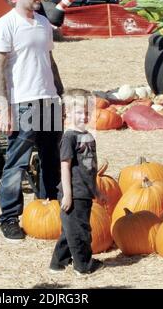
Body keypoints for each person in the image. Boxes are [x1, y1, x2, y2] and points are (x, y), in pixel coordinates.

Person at [0, 0, 64, 241]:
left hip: (48, 100)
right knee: (16, 164)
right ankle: (9, 217)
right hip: (22, 103)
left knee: (51, 159)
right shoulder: (4, 25)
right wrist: (3, 107)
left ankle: (49, 208)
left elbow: (50, 61)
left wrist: (60, 93)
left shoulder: (44, 23)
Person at [49, 88, 104, 275]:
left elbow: (90, 168)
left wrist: (96, 190)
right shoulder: (69, 137)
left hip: (85, 192)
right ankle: (83, 265)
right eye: (80, 112)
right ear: (68, 113)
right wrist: (68, 195)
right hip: (73, 192)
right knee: (80, 231)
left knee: (70, 229)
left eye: (87, 112)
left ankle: (58, 263)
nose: (84, 116)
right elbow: (65, 166)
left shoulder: (88, 137)